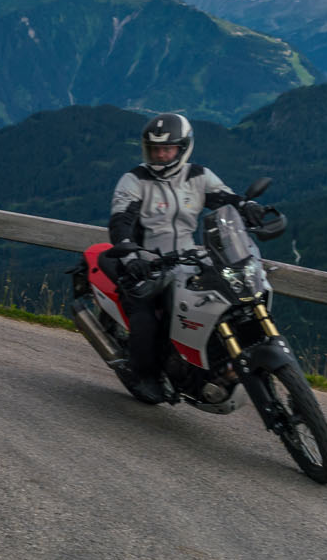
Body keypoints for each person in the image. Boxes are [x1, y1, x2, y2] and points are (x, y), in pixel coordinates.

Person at [105, 111, 263, 404]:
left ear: (183, 148)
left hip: (192, 257)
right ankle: (144, 374)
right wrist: (130, 255)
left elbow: (225, 199)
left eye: (168, 149)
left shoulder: (198, 176)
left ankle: (218, 362)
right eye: (155, 149)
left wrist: (246, 205)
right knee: (146, 317)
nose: (161, 155)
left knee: (224, 300)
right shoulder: (134, 180)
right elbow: (120, 222)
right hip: (148, 260)